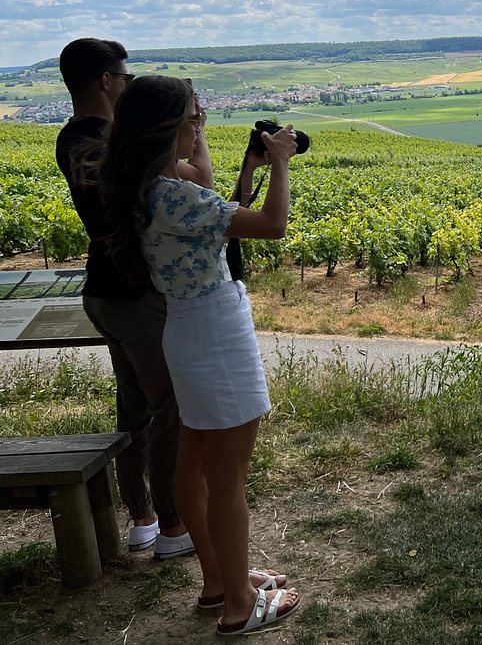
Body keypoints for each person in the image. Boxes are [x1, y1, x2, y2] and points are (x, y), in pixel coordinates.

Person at [98, 75, 301, 636]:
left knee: (194, 463)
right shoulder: (173, 195)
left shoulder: (148, 184)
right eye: (193, 119)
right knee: (229, 478)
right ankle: (240, 606)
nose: (200, 126)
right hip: (216, 332)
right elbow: (272, 226)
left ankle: (218, 583)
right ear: (165, 130)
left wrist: (244, 164)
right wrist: (281, 162)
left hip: (186, 331)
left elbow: (205, 184)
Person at [55, 38, 194, 559]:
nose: (128, 85)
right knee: (169, 406)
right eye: (126, 77)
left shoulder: (74, 140)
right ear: (106, 81)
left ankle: (142, 518)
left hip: (106, 288)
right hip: (132, 291)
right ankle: (173, 527)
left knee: (135, 405)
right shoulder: (101, 142)